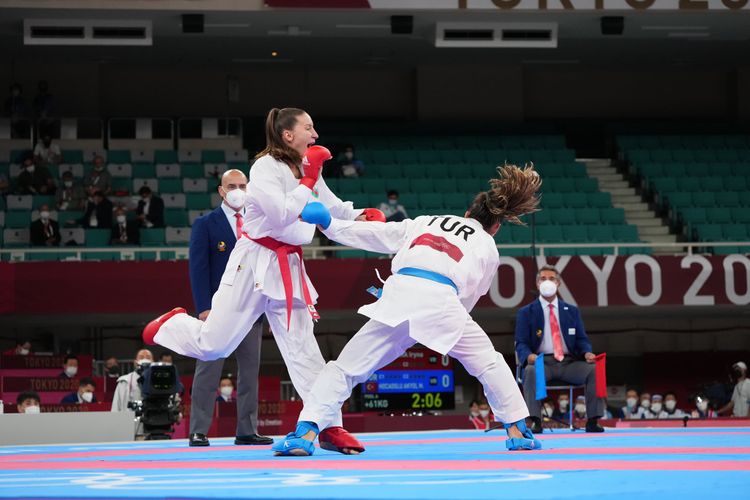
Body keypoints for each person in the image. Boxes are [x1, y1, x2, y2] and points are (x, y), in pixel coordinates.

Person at [142, 108, 385, 455]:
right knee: (215, 346)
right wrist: (307, 180)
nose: (315, 134)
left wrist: (358, 214)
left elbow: (328, 206)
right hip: (254, 261)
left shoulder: (306, 166)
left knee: (304, 351)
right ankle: (172, 325)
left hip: (289, 264)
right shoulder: (264, 168)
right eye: (308, 128)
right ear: (288, 135)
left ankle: (329, 426)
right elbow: (282, 213)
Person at [272, 164, 544, 456]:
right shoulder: (487, 245)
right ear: (496, 226)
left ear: (467, 213)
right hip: (442, 301)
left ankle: (306, 432)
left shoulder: (426, 221)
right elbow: (470, 297)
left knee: (345, 368)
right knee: (489, 363)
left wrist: (330, 225)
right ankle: (517, 431)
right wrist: (444, 328)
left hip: (399, 294)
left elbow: (378, 233)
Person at [185, 169, 271, 448]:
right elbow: (198, 270)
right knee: (208, 371)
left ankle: (246, 429)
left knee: (249, 372)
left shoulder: (260, 223)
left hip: (251, 310)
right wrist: (203, 308)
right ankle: (198, 429)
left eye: (242, 185)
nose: (237, 190)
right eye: (232, 186)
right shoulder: (206, 224)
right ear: (221, 191)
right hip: (218, 310)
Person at [515, 265, 606, 434]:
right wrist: (528, 356)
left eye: (551, 279)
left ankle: (593, 420)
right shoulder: (526, 312)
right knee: (530, 371)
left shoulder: (571, 311)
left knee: (593, 370)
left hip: (569, 363)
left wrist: (587, 352)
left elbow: (581, 339)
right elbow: (521, 343)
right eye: (543, 278)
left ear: (558, 283)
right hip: (542, 363)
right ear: (537, 283)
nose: (547, 282)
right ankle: (535, 421)